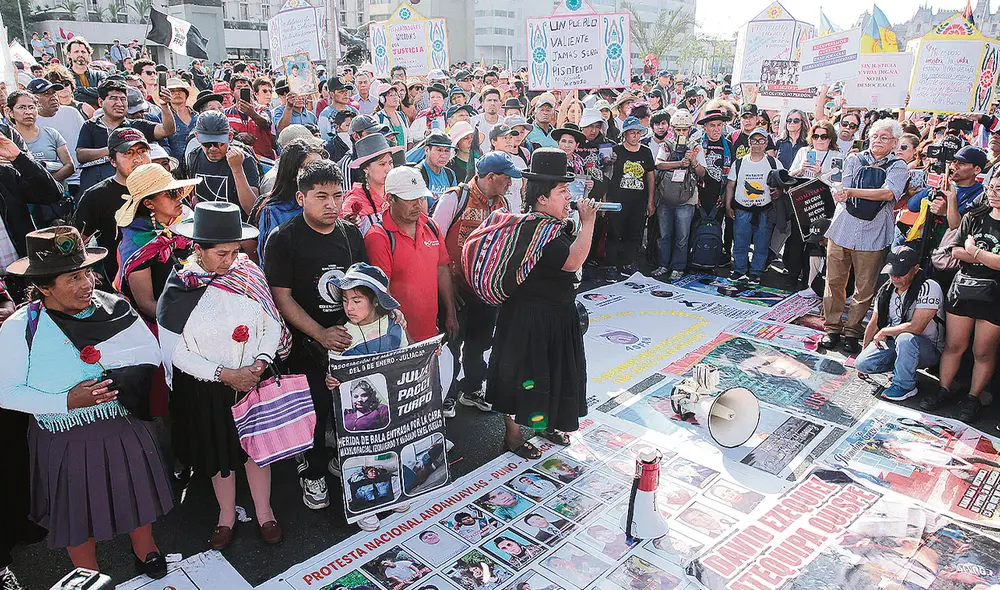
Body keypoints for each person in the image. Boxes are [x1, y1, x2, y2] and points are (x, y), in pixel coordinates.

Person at [0, 226, 171, 579]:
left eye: (87, 273)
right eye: (73, 278)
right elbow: (7, 391)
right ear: (45, 287)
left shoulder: (114, 308)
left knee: (135, 495)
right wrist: (67, 400)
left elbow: (150, 352)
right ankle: (87, 575)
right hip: (64, 439)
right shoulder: (20, 328)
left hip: (123, 424)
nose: (87, 284)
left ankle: (146, 549)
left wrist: (124, 377)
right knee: (75, 513)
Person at [158, 201, 287, 549]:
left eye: (235, 251)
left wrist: (260, 363)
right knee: (220, 457)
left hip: (253, 381)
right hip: (211, 390)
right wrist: (224, 374)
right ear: (198, 249)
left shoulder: (247, 274)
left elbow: (271, 324)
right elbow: (176, 352)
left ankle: (265, 512)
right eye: (221, 254)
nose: (230, 261)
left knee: (256, 450)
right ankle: (226, 516)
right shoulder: (182, 287)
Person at [476, 148, 598, 458]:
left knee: (552, 377)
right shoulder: (537, 231)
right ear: (542, 198)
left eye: (568, 190)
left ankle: (544, 423)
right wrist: (588, 222)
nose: (569, 197)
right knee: (522, 379)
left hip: (557, 317)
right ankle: (513, 435)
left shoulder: (554, 227)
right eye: (562, 191)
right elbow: (572, 262)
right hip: (529, 320)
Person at [265, 159, 367, 510]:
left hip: (348, 342)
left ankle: (341, 459)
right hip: (304, 346)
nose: (331, 204)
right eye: (321, 196)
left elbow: (363, 285)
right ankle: (313, 473)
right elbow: (282, 298)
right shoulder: (284, 239)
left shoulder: (351, 234)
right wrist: (321, 334)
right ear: (301, 198)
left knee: (348, 408)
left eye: (337, 196)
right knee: (313, 413)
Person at [433, 153, 519, 417]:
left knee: (479, 344)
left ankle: (471, 390)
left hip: (486, 292)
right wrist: (446, 288)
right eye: (506, 178)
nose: (510, 183)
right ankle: (446, 395)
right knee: (450, 344)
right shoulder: (455, 198)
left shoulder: (503, 203)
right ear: (491, 177)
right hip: (455, 291)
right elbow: (434, 243)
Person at [820, 119, 907, 355]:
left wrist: (851, 192)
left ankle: (852, 331)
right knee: (834, 281)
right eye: (875, 136)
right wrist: (842, 192)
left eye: (884, 137)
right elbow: (842, 187)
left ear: (895, 142)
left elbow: (888, 193)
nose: (878, 141)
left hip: (874, 234)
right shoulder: (854, 159)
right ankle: (832, 327)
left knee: (864, 286)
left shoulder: (899, 166)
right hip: (842, 228)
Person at [920, 174, 1000, 423]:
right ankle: (943, 389)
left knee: (983, 352)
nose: (993, 193)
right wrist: (986, 258)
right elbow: (955, 251)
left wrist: (973, 250)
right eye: (991, 188)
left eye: (999, 189)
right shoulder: (975, 216)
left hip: (994, 295)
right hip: (963, 288)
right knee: (954, 345)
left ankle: (973, 398)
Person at [366, 166, 457, 343]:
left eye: (420, 197)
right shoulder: (378, 237)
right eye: (409, 199)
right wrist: (407, 342)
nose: (417, 204)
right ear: (390, 198)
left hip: (431, 335)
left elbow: (441, 270)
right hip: (397, 341)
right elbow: (383, 292)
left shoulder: (431, 226)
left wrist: (451, 314)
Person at [112, 163, 198, 324]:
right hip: (164, 323)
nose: (179, 197)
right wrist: (188, 322)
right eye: (170, 193)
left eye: (178, 190)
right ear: (149, 204)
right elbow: (146, 304)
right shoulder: (137, 244)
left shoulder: (186, 221)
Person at [857, 245, 945, 402]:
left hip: (927, 348)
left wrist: (885, 332)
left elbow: (916, 327)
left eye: (901, 273)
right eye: (892, 272)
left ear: (915, 269)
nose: (895, 277)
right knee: (863, 363)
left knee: (905, 338)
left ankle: (905, 385)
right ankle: (902, 369)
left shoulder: (929, 286)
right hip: (895, 343)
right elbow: (873, 323)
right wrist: (863, 352)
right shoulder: (886, 290)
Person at [73, 128, 151, 287]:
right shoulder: (96, 196)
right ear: (112, 161)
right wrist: (85, 273)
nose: (138, 159)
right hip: (120, 284)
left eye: (142, 151)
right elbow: (76, 243)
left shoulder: (165, 187)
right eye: (128, 153)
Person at [76, 79, 175, 192]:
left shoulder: (136, 125)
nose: (119, 103)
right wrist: (112, 150)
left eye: (123, 99)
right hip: (98, 186)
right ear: (100, 101)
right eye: (113, 98)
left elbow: (167, 130)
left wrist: (164, 106)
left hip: (134, 186)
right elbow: (81, 155)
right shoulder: (90, 125)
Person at [652, 109, 706, 280]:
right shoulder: (666, 145)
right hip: (666, 196)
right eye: (678, 129)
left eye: (684, 129)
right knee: (664, 235)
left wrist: (693, 161)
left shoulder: (696, 147)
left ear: (690, 129)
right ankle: (663, 264)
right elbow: (658, 164)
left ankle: (678, 267)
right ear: (673, 129)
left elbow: (702, 173)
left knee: (682, 236)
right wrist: (679, 163)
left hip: (686, 198)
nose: (681, 133)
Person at [7, 90, 74, 224]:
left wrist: (46, 181)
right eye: (22, 107)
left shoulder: (51, 134)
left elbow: (69, 165)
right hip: (25, 203)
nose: (28, 112)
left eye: (31, 107)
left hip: (56, 202)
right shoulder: (8, 140)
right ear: (10, 112)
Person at [255, 138, 328, 259]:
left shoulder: (329, 203)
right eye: (310, 168)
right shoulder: (274, 210)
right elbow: (268, 259)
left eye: (321, 167)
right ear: (293, 172)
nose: (318, 174)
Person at [725, 128, 781, 282]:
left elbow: (783, 180)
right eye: (754, 140)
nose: (757, 144)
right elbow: (730, 185)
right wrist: (728, 206)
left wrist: (779, 191)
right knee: (740, 242)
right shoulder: (739, 162)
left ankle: (756, 272)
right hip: (742, 209)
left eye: (761, 140)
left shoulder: (773, 162)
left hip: (765, 210)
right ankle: (739, 270)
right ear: (749, 142)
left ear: (766, 143)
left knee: (761, 243)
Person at [605, 116, 655, 280]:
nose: (635, 136)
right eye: (632, 133)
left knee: (634, 233)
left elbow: (650, 176)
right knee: (614, 232)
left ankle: (628, 262)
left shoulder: (646, 152)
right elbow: (606, 173)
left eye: (638, 133)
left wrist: (650, 200)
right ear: (625, 134)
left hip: (638, 201)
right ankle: (611, 264)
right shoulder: (616, 151)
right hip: (617, 200)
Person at [187, 110, 260, 214]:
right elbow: (194, 195)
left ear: (229, 137)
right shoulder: (194, 157)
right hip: (205, 221)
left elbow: (252, 209)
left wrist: (237, 169)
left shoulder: (244, 160)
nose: (213, 148)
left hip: (236, 222)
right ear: (197, 137)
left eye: (219, 143)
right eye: (207, 143)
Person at [30, 77, 84, 200]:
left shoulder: (72, 113)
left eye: (54, 92)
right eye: (46, 94)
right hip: (49, 186)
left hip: (80, 179)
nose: (53, 97)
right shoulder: (31, 123)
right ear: (33, 98)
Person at [343, 133, 400, 235]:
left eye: (390, 163)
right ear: (366, 168)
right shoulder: (353, 202)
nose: (388, 169)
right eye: (382, 164)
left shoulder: (397, 193)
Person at [418, 131, 457, 211]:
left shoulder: (450, 174)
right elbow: (423, 212)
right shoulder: (418, 173)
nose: (444, 156)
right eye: (439, 150)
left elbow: (454, 206)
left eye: (447, 151)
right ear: (427, 150)